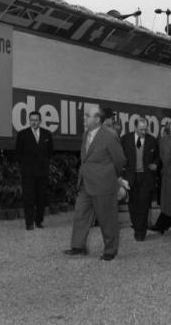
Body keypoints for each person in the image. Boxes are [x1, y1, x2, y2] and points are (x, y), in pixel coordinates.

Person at [64, 108, 126, 261]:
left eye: (87, 116)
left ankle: (110, 251)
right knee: (80, 214)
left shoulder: (110, 136)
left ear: (98, 119)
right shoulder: (86, 134)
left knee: (107, 218)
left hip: (103, 183)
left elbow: (120, 160)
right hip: (85, 182)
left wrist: (113, 178)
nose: (84, 118)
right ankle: (78, 246)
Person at [121, 117, 159, 241]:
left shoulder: (152, 140)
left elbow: (158, 158)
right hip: (130, 177)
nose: (144, 131)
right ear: (135, 127)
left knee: (144, 203)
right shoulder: (125, 139)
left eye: (145, 129)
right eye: (141, 129)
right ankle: (137, 227)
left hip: (146, 177)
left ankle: (140, 232)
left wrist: (155, 165)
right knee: (132, 204)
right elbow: (120, 157)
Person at [15, 110, 54, 230]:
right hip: (28, 173)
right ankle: (29, 223)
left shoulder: (47, 134)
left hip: (42, 172)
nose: (34, 122)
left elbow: (50, 152)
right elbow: (18, 153)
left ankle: (39, 221)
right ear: (29, 121)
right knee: (29, 198)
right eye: (31, 120)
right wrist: (24, 167)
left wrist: (44, 163)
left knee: (41, 197)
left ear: (40, 121)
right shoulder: (22, 134)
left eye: (36, 120)